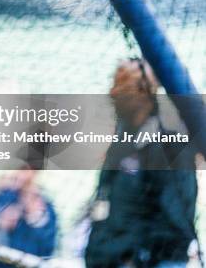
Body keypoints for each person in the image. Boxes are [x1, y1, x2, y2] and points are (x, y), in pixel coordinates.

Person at [85, 59, 199, 268]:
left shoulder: (170, 148)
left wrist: (135, 259)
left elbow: (175, 224)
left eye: (120, 86)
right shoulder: (122, 143)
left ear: (141, 92)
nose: (112, 93)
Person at [0, 168, 57, 265]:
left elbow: (47, 248)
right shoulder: (2, 195)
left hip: (28, 263)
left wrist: (35, 218)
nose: (24, 174)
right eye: (22, 168)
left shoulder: (45, 206)